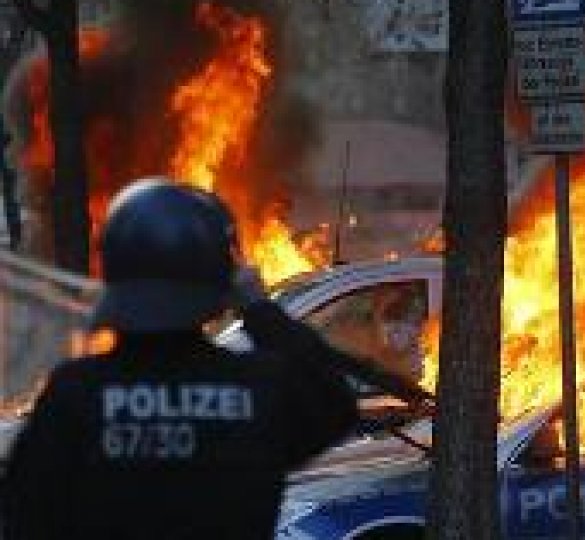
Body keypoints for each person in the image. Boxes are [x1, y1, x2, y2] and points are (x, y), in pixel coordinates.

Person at [2, 178, 360, 539]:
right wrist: (259, 310)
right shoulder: (257, 389)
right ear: (222, 277)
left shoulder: (75, 394)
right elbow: (336, 405)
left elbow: (25, 517)